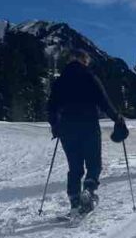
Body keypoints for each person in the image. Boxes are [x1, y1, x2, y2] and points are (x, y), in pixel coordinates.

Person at [47, 48, 125, 213]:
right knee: (93, 163)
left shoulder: (60, 81)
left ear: (70, 60)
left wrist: (55, 125)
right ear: (84, 60)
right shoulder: (90, 77)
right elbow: (104, 101)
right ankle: (88, 190)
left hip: (67, 128)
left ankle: (75, 201)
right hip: (88, 125)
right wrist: (117, 118)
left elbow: (51, 107)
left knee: (74, 167)